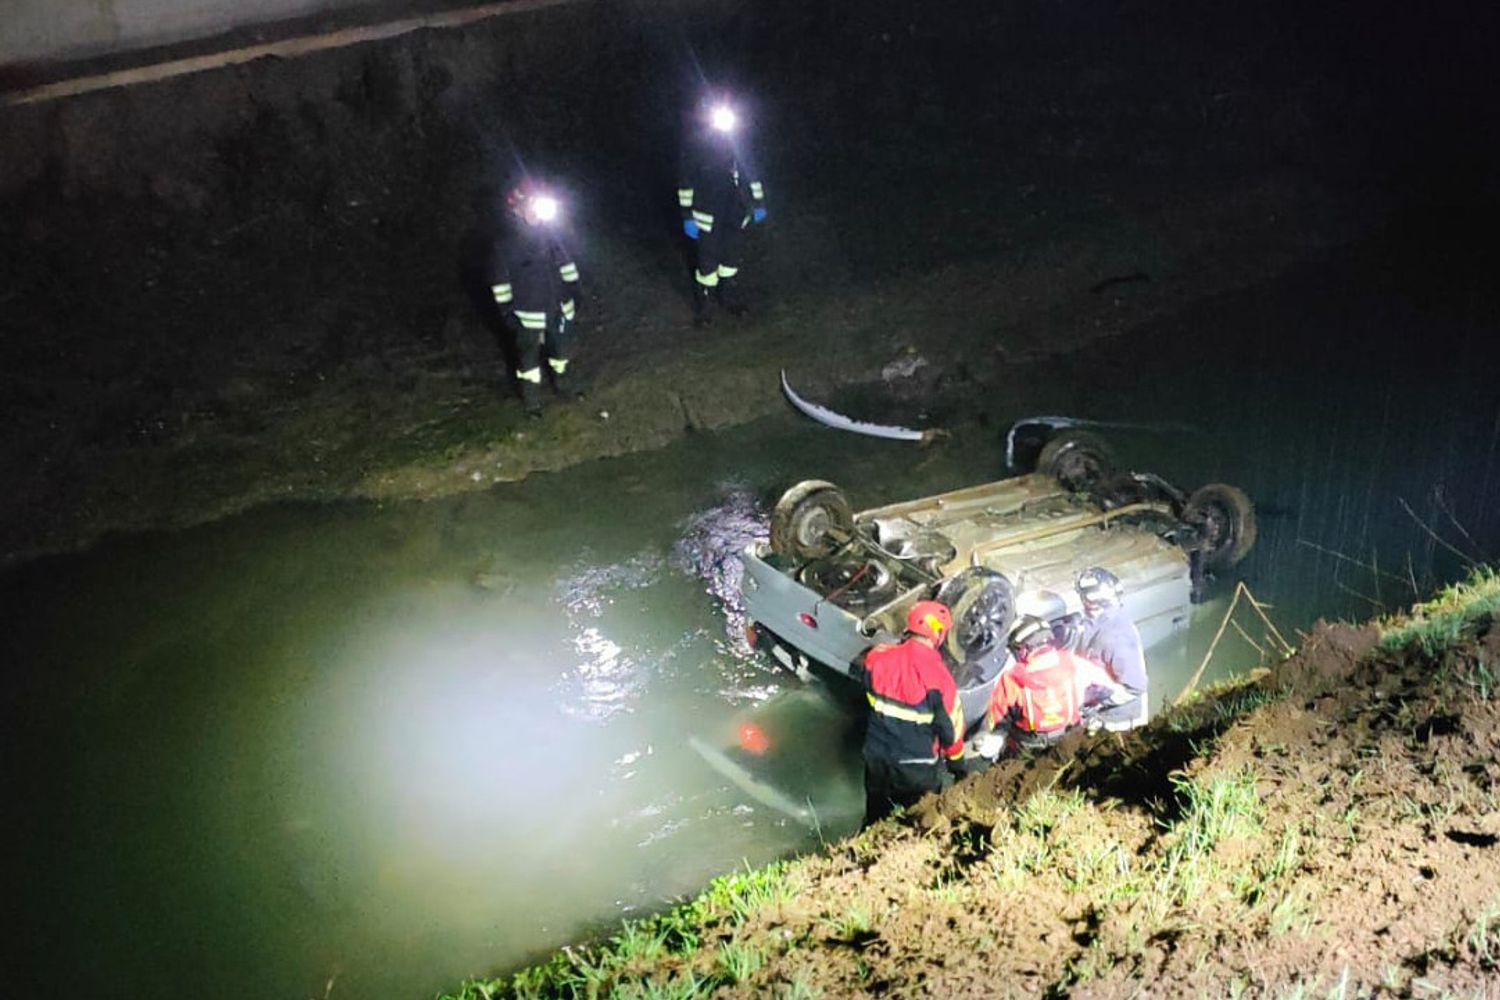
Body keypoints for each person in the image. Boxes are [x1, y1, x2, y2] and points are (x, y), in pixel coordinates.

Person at [857, 600, 965, 825]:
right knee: (921, 819)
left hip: (876, 758)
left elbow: (867, 689)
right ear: (937, 633)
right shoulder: (940, 678)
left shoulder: (876, 657)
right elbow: (951, 732)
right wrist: (958, 767)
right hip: (916, 766)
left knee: (875, 816)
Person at [489, 181, 582, 417]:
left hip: (558, 307)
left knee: (561, 352)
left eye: (538, 206)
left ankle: (564, 388)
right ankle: (533, 405)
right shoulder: (506, 245)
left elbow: (566, 264)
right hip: (527, 315)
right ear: (517, 210)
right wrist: (508, 313)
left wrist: (574, 291)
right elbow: (500, 284)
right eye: (530, 206)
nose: (535, 212)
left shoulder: (551, 236)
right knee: (528, 362)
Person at [677, 96, 767, 326]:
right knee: (708, 262)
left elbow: (751, 172)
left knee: (730, 258)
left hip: (735, 211)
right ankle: (704, 307)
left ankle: (728, 297)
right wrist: (687, 215)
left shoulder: (736, 142)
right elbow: (685, 182)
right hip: (707, 213)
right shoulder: (694, 145)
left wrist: (758, 203)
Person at [981, 615, 1124, 753]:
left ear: (1024, 649)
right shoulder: (1075, 664)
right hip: (1070, 741)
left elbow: (997, 720)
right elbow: (1108, 690)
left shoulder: (1011, 679)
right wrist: (1087, 710)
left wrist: (993, 740)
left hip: (1028, 747)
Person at [1075, 566, 1150, 731]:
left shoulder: (1116, 636)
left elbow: (1135, 687)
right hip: (1102, 711)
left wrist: (1095, 702)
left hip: (1120, 721)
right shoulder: (1094, 621)